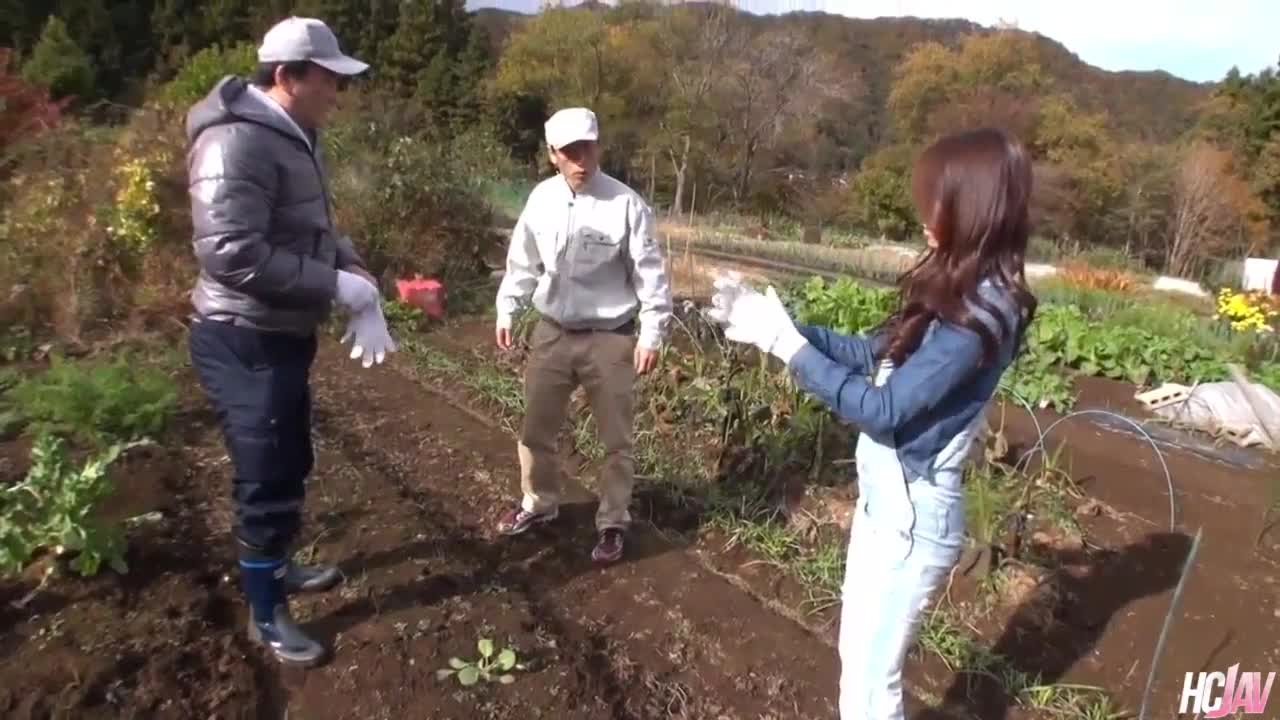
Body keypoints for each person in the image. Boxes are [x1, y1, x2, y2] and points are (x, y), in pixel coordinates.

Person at [707, 127, 1037, 720]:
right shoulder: (958, 287)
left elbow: (883, 411)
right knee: (858, 666)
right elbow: (868, 353)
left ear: (973, 207)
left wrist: (785, 345)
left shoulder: (982, 316)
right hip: (883, 507)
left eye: (935, 201)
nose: (924, 216)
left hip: (911, 521)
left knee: (870, 685)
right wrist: (777, 323)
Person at [185, 16, 395, 667]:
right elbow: (231, 252)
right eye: (329, 80)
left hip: (281, 332)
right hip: (242, 335)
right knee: (265, 475)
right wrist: (334, 286)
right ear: (287, 77)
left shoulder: (296, 135)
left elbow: (312, 229)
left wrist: (350, 266)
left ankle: (277, 567)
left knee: (291, 456)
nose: (338, 92)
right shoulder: (236, 142)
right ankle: (267, 613)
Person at [494, 107, 673, 564]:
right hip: (552, 332)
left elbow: (651, 275)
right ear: (552, 154)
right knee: (536, 428)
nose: (581, 159)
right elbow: (523, 262)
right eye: (570, 151)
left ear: (598, 147)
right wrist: (507, 308)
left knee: (616, 440)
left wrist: (652, 333)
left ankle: (612, 521)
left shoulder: (626, 205)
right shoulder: (541, 199)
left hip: (610, 337)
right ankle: (539, 502)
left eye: (587, 148)